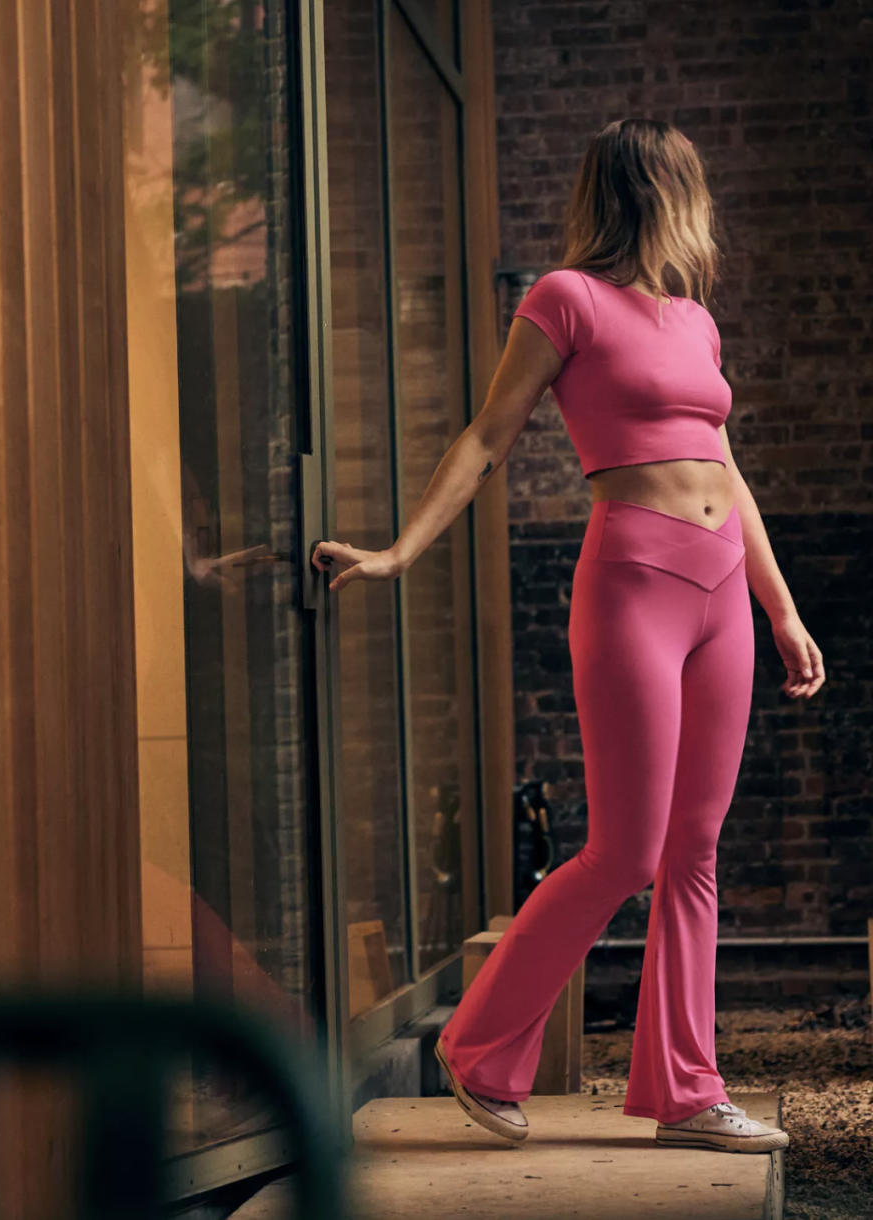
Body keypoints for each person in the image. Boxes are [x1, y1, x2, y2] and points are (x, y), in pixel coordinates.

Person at [311, 117, 824, 1155]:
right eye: (689, 184)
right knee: (626, 847)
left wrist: (780, 608)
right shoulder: (564, 299)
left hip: (724, 591)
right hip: (633, 583)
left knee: (694, 848)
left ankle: (686, 1087)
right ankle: (480, 1045)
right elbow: (487, 436)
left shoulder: (695, 320)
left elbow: (727, 468)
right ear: (655, 190)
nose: (701, 205)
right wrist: (401, 552)